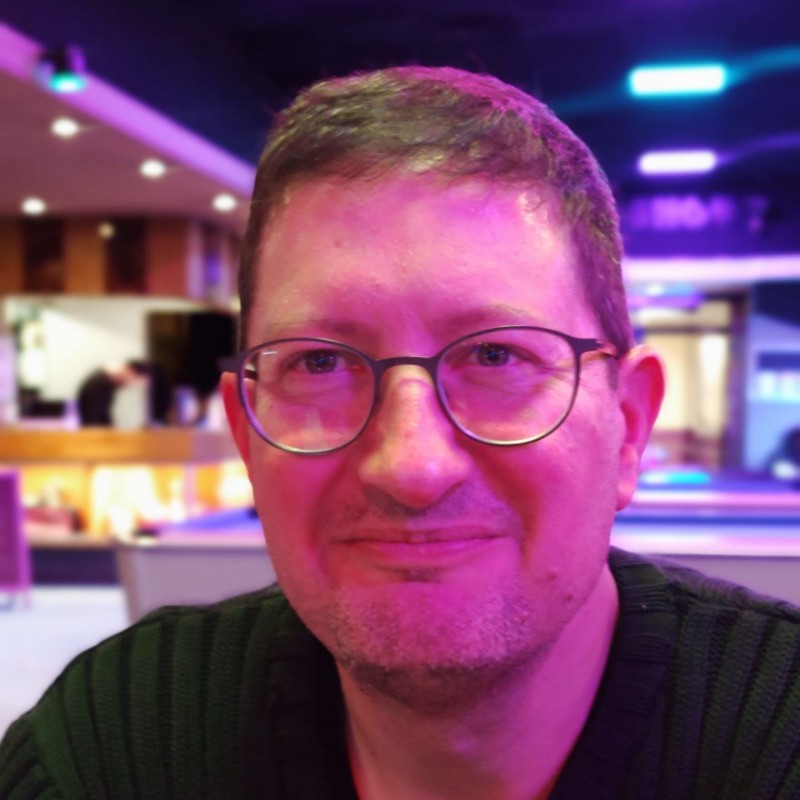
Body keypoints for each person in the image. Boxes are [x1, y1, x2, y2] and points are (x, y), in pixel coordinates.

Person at [2, 66, 800, 799]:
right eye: (318, 363)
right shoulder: (110, 747)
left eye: (497, 355)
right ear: (247, 437)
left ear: (627, 427)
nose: (411, 466)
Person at [76, 360, 151, 426]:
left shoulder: (106, 382)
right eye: (134, 380)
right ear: (130, 371)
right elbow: (95, 419)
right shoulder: (100, 384)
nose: (130, 385)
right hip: (94, 433)